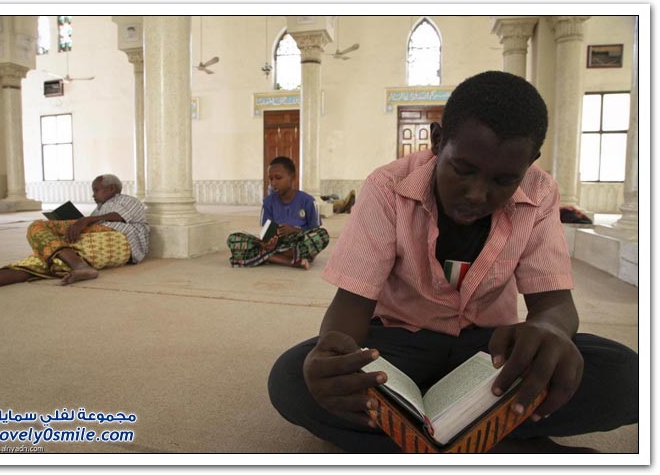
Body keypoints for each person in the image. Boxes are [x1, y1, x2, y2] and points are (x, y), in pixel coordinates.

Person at [267, 71, 638, 453]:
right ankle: (500, 449)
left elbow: (555, 304)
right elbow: (352, 305)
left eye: (504, 180)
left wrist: (548, 330)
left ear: (529, 163)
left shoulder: (539, 193)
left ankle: (422, 444)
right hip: (398, 343)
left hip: (490, 352)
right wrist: (332, 354)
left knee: (628, 376)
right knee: (293, 379)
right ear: (437, 140)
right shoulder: (387, 187)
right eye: (463, 169)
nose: (477, 194)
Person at [0, 174, 149, 290]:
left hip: (118, 237)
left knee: (37, 226)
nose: (93, 195)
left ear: (111, 188)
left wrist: (84, 220)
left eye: (96, 190)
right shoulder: (98, 209)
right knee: (42, 262)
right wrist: (79, 222)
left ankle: (79, 266)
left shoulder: (127, 200)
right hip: (102, 250)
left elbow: (118, 216)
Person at [227, 156, 329, 270]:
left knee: (322, 235)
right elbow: (266, 231)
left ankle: (270, 256)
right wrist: (266, 243)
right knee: (233, 239)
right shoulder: (268, 202)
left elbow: (314, 231)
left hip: (298, 243)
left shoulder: (308, 201)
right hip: (276, 244)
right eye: (271, 179)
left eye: (278, 178)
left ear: (292, 177)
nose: (273, 183)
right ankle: (290, 261)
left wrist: (294, 230)